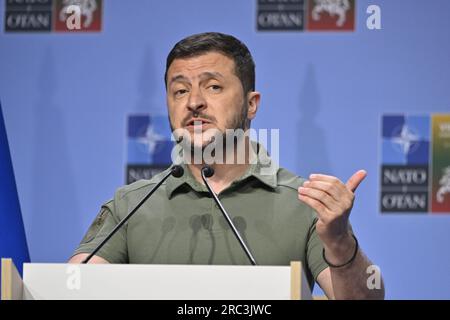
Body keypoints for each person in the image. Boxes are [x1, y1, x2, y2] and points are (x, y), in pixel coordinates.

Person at [69, 32, 384, 299]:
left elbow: (366, 296)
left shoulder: (303, 204)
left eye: (213, 87)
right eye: (180, 90)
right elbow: (70, 289)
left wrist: (339, 241)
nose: (194, 102)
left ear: (251, 104)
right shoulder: (130, 205)